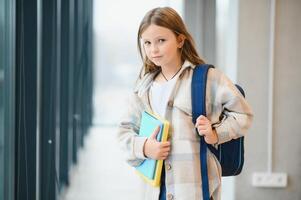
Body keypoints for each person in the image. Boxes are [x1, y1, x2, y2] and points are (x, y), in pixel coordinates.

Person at [117, 7, 253, 200]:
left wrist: (216, 134)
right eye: (147, 43)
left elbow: (243, 115)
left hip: (195, 191)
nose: (153, 49)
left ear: (180, 40)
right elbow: (124, 132)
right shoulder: (142, 89)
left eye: (161, 41)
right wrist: (145, 147)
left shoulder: (208, 80)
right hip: (155, 191)